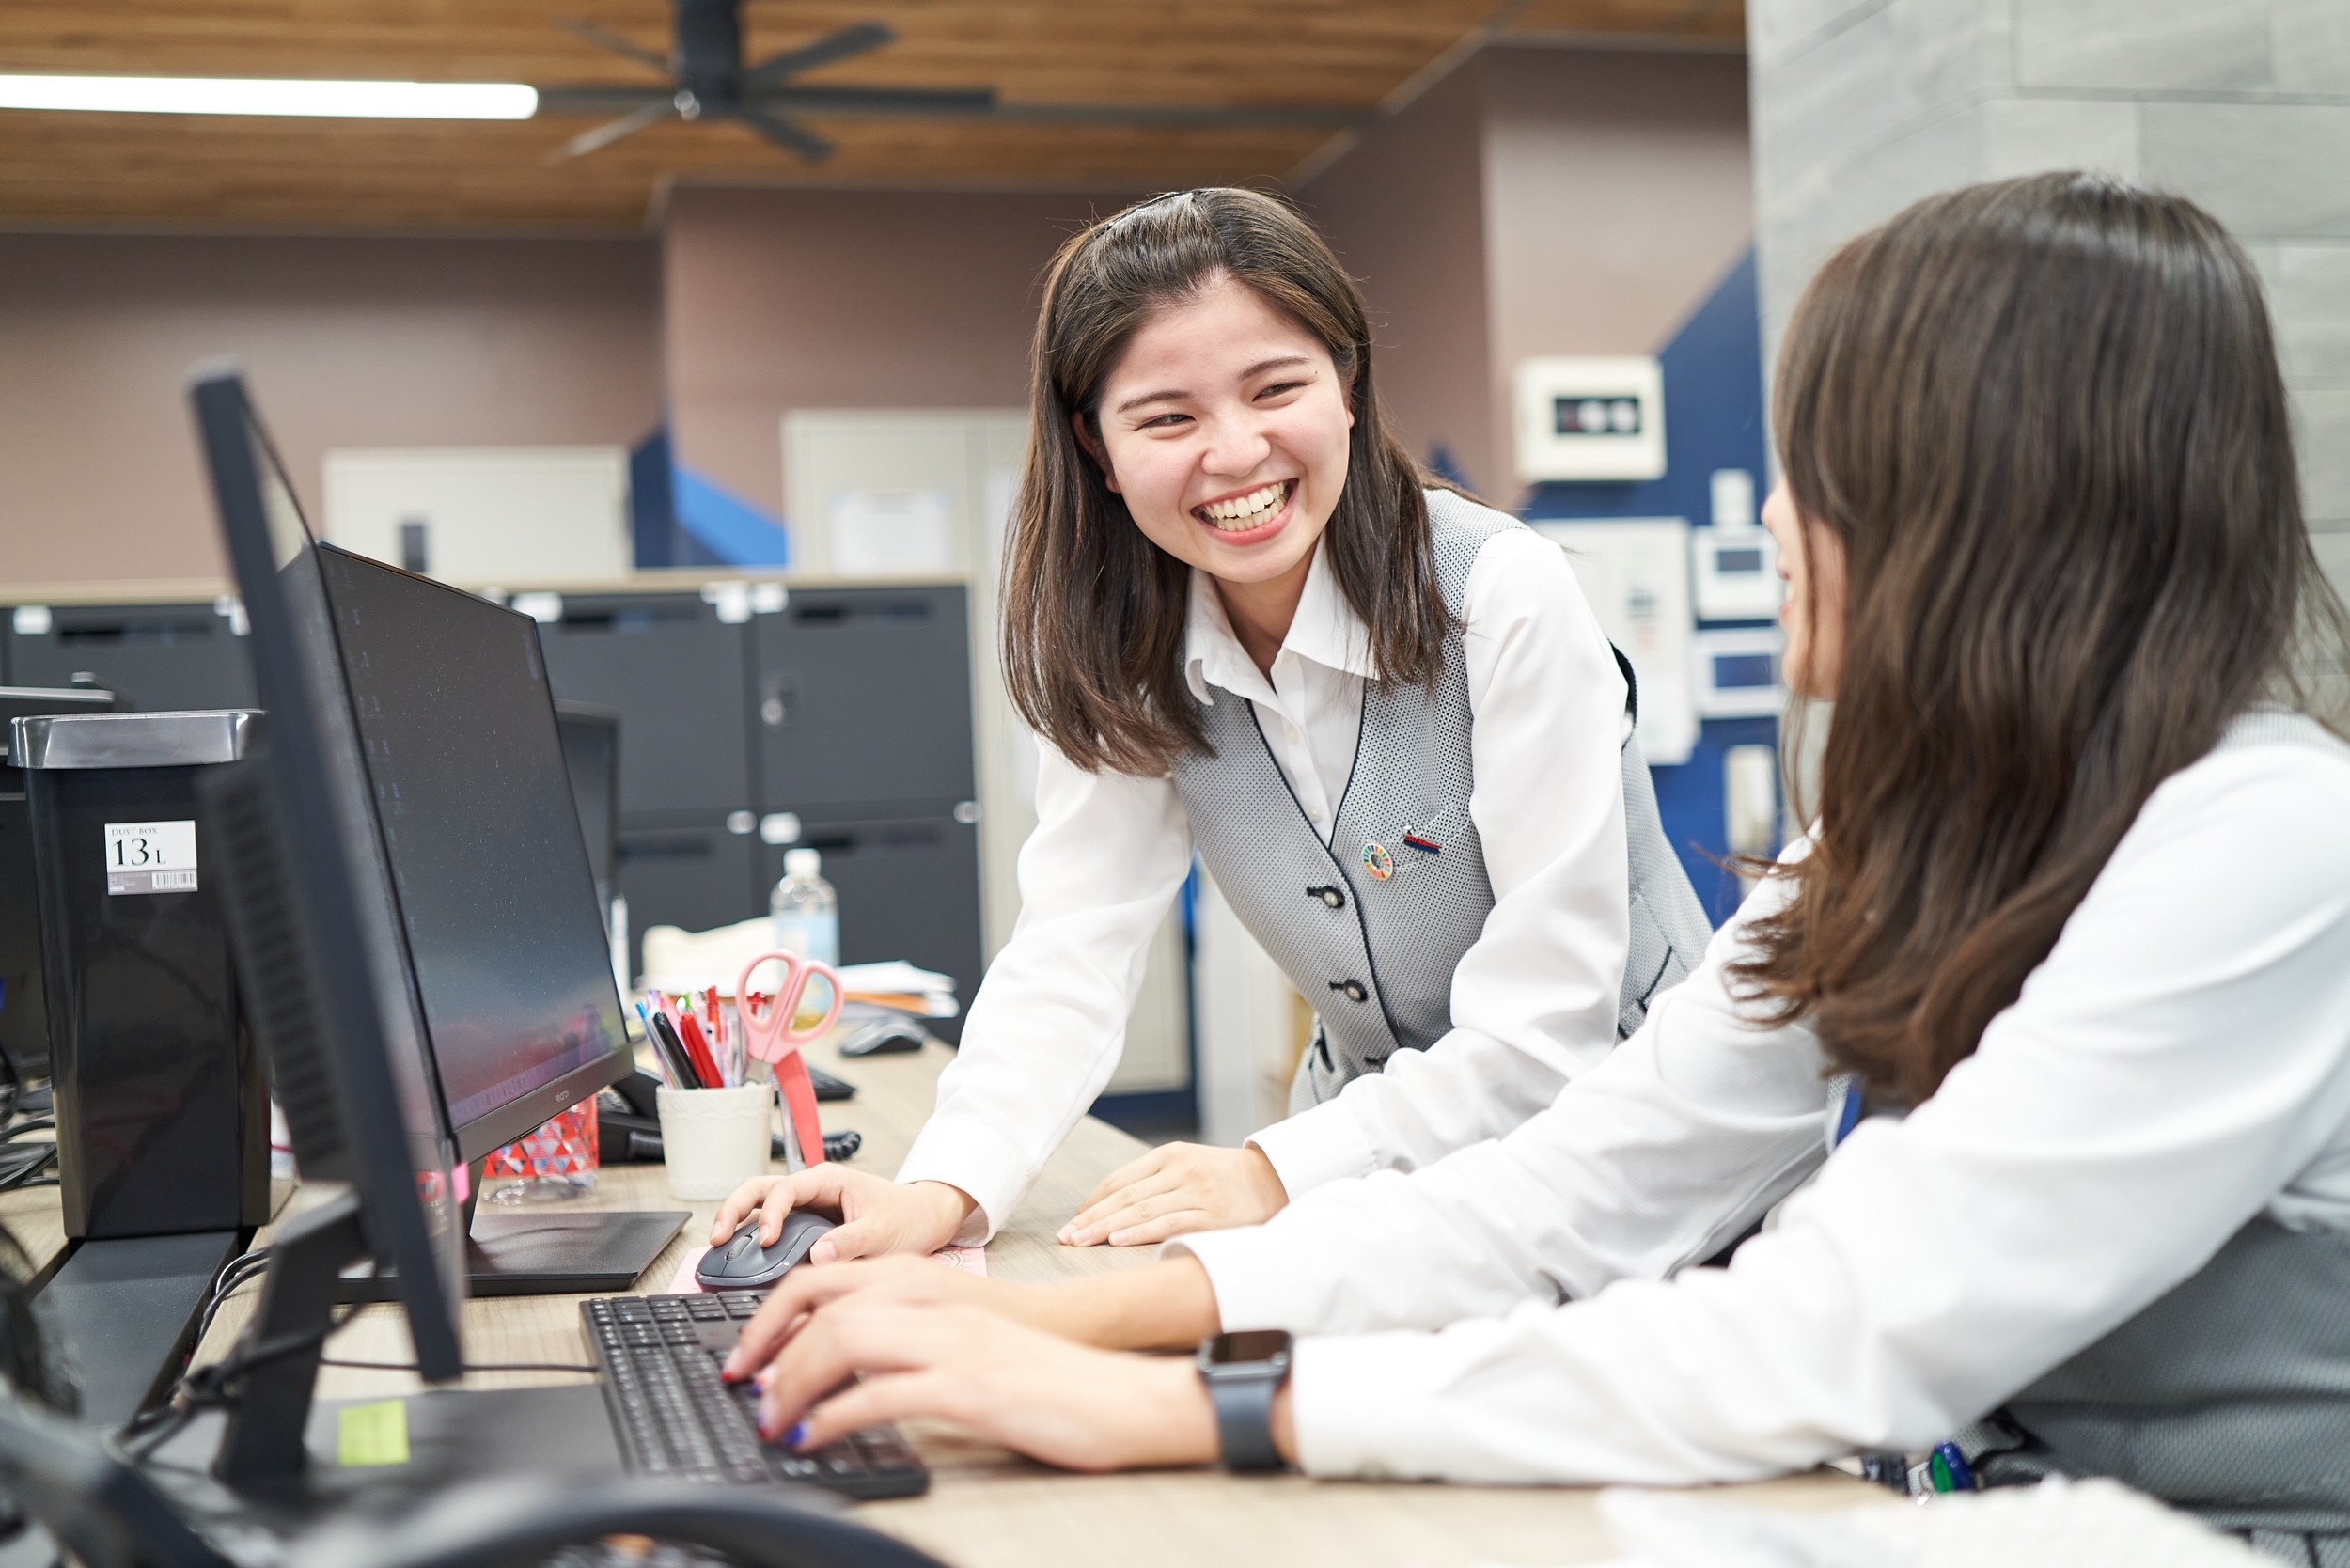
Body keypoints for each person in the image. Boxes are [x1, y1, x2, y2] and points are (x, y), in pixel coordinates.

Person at [723, 173, 2350, 1551]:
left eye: (1826, 466)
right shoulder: (1896, 832)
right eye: (1164, 414)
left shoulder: (2266, 844)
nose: (1777, 520)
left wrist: (1175, 1393)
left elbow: (1830, 1315)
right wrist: (1041, 1297)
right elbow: (1573, 1186)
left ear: (2010, 509)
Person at [717, 187, 1711, 1259]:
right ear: (1097, 449)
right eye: (1167, 417)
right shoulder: (1124, 651)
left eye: (1274, 387)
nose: (1234, 454)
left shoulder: (1501, 596)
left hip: (1632, 1142)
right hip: (1381, 1166)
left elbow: (1546, 1025)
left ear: (1346, 382)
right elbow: (1073, 948)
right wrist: (943, 1189)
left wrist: (1270, 1170)